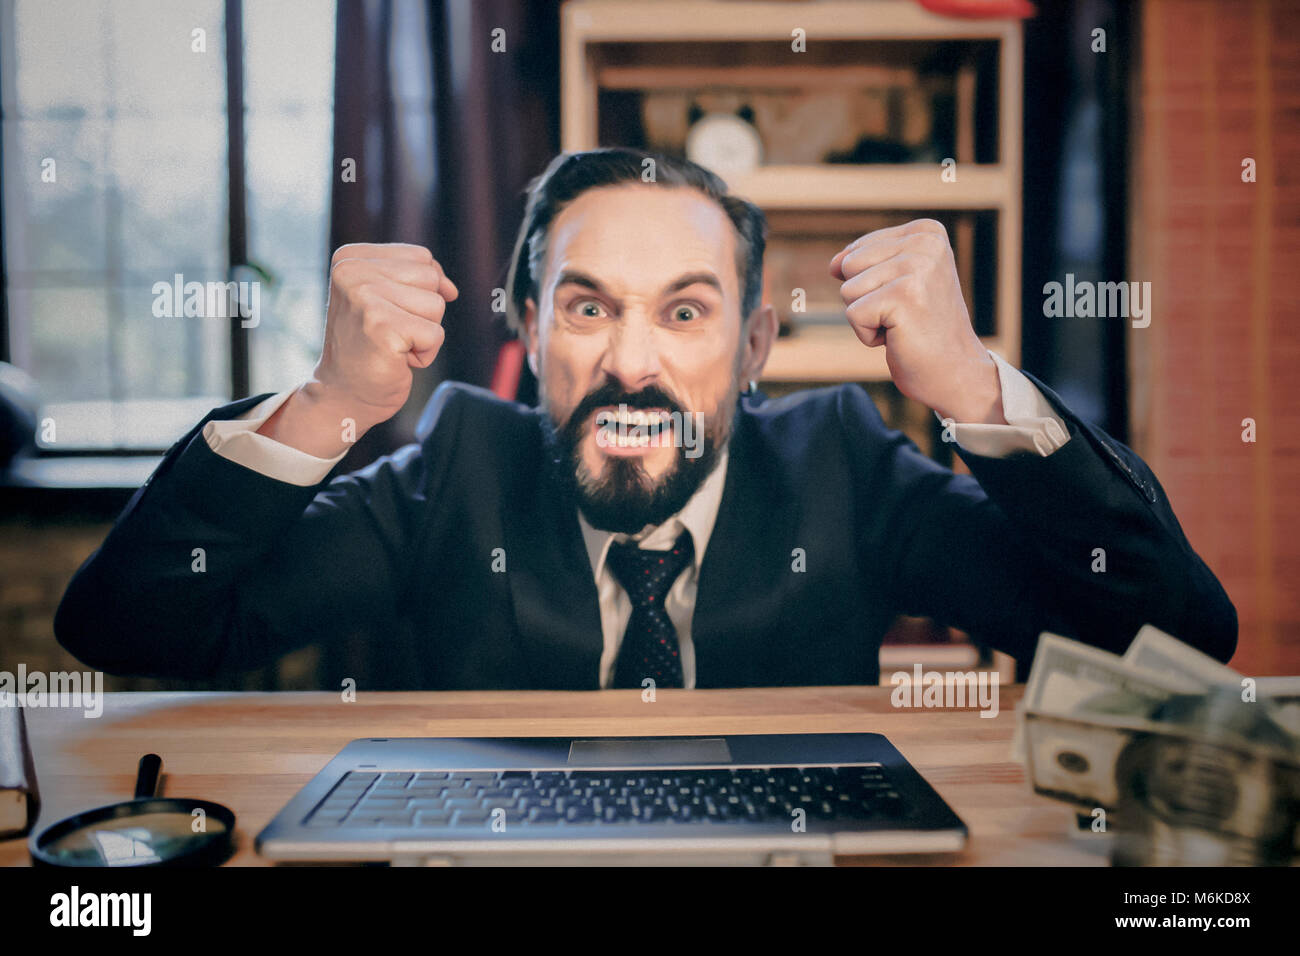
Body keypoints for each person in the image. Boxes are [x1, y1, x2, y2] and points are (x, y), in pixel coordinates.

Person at [54, 148, 1236, 689]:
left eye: (683, 311)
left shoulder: (841, 463)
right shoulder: (455, 466)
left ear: (756, 344)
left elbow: (1173, 639)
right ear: (524, 327)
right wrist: (329, 406)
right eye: (585, 308)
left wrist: (977, 388)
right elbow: (130, 626)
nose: (630, 364)